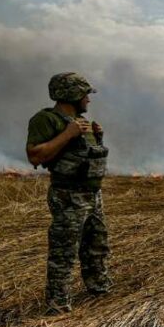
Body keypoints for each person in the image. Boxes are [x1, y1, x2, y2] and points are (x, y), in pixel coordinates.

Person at [26, 72, 112, 314]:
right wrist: (68, 134)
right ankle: (58, 304)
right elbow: (35, 155)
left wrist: (97, 136)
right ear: (71, 94)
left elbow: (84, 155)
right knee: (64, 252)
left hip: (92, 194)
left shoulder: (81, 122)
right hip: (68, 196)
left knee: (97, 246)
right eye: (85, 94)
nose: (88, 99)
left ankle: (99, 291)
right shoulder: (47, 120)